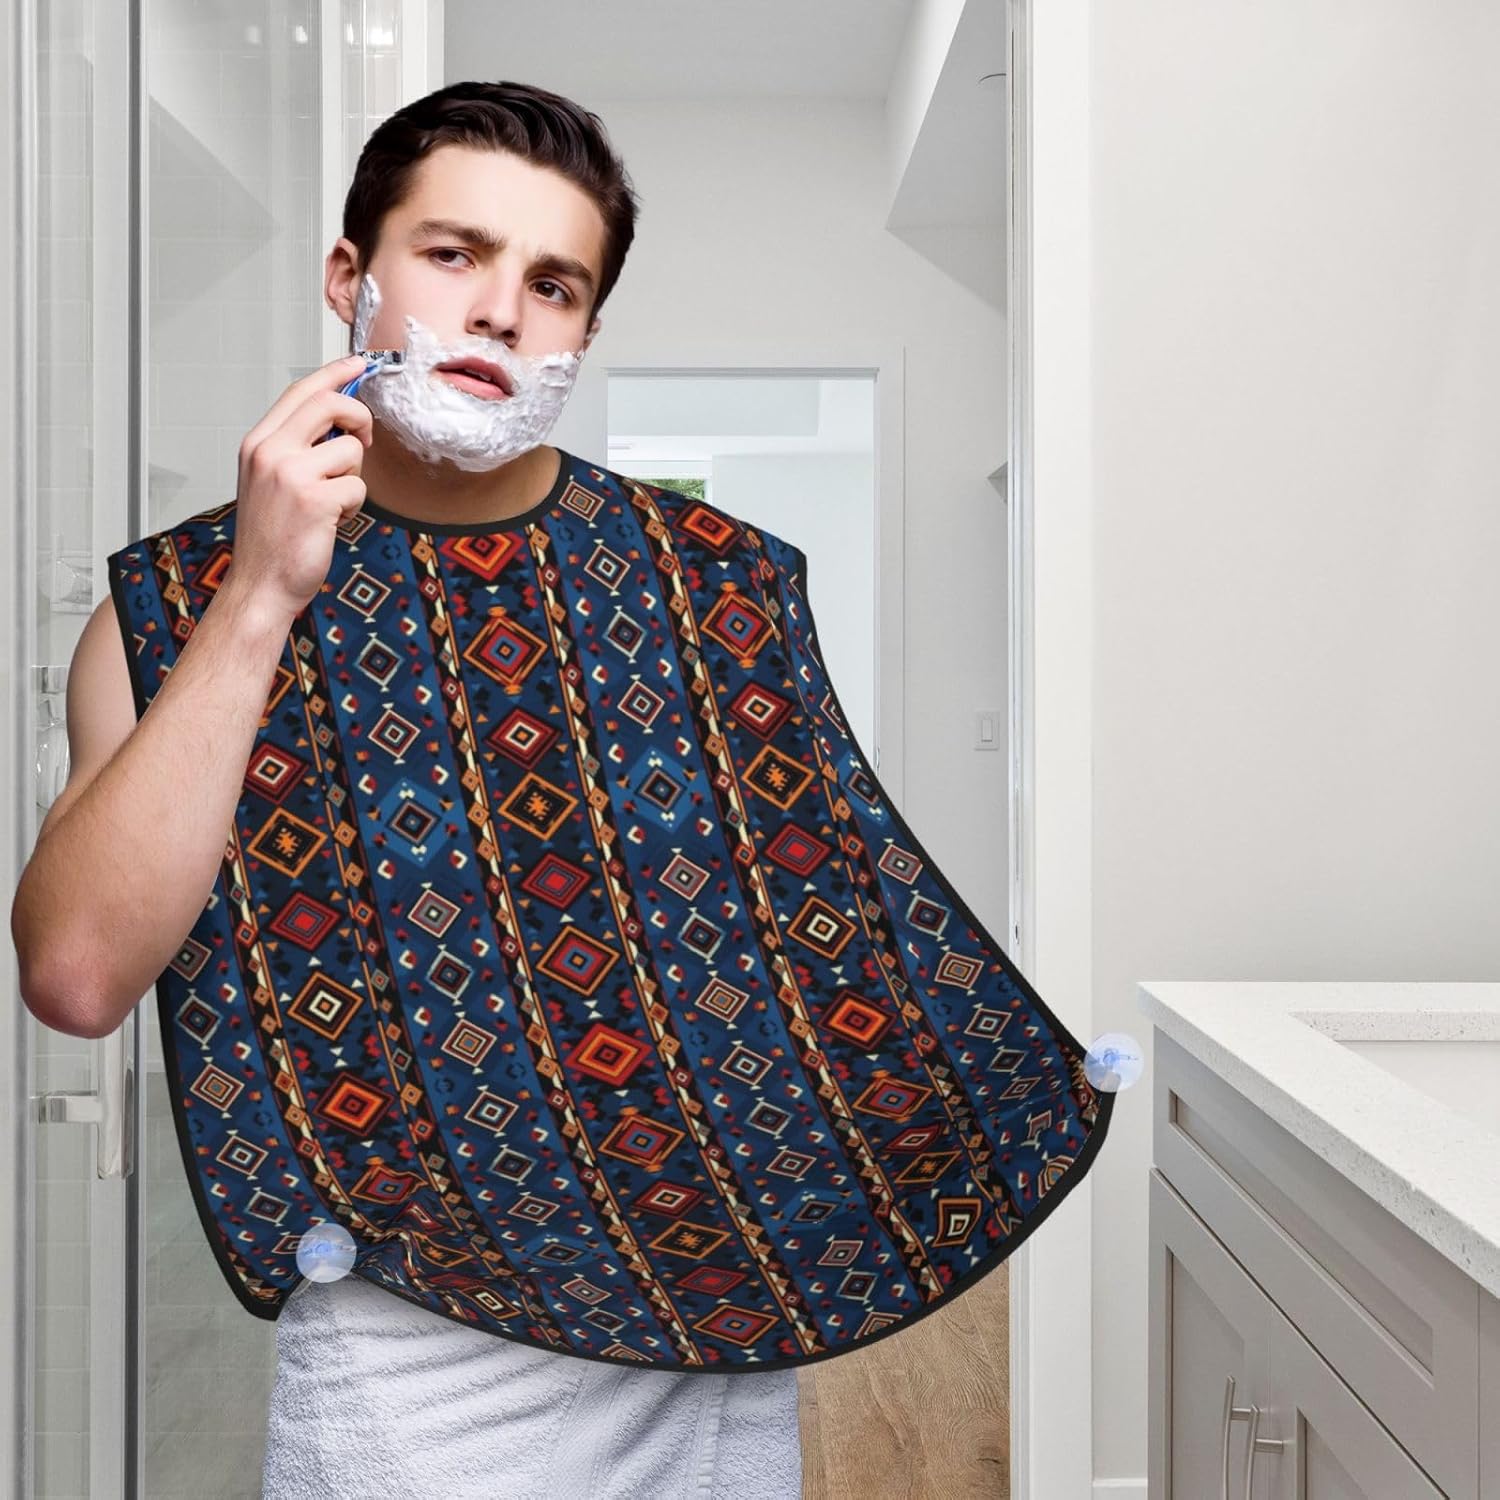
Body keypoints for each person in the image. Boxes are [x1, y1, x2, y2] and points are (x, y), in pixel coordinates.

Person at [13, 79, 803, 1498]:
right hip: (406, 1344)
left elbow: (807, 946)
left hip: (707, 1304)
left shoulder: (717, 590)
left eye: (553, 284)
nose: (501, 311)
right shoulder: (172, 607)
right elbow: (75, 976)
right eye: (454, 254)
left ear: (584, 332)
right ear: (350, 279)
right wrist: (261, 595)